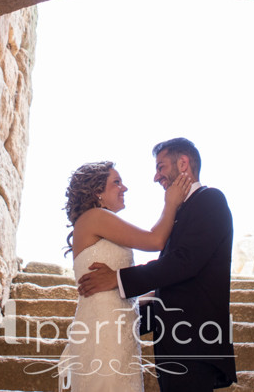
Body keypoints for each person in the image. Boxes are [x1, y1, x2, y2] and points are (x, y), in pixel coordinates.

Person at [77, 138, 237, 392]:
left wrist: (119, 279)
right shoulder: (181, 212)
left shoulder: (210, 199)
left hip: (194, 342)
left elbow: (183, 263)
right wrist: (117, 311)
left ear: (183, 163)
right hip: (174, 344)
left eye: (161, 167)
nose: (156, 176)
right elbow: (172, 282)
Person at [57, 160, 192, 391]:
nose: (124, 188)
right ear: (97, 191)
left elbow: (114, 290)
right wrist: (171, 204)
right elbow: (155, 240)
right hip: (105, 334)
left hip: (117, 330)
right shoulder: (95, 217)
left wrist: (156, 292)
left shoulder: (98, 221)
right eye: (116, 182)